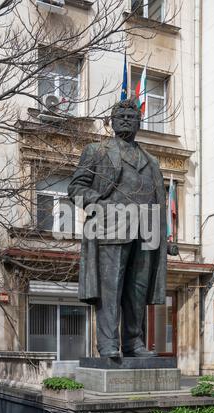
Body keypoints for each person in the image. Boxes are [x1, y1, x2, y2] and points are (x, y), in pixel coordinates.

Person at [68, 99, 167, 358]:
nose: (125, 119)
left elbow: (159, 201)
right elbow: (76, 188)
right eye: (120, 115)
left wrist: (165, 237)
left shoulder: (152, 161)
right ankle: (109, 344)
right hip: (111, 228)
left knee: (137, 291)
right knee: (110, 289)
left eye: (130, 116)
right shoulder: (97, 150)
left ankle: (133, 343)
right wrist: (99, 204)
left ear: (139, 122)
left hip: (146, 234)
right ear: (111, 122)